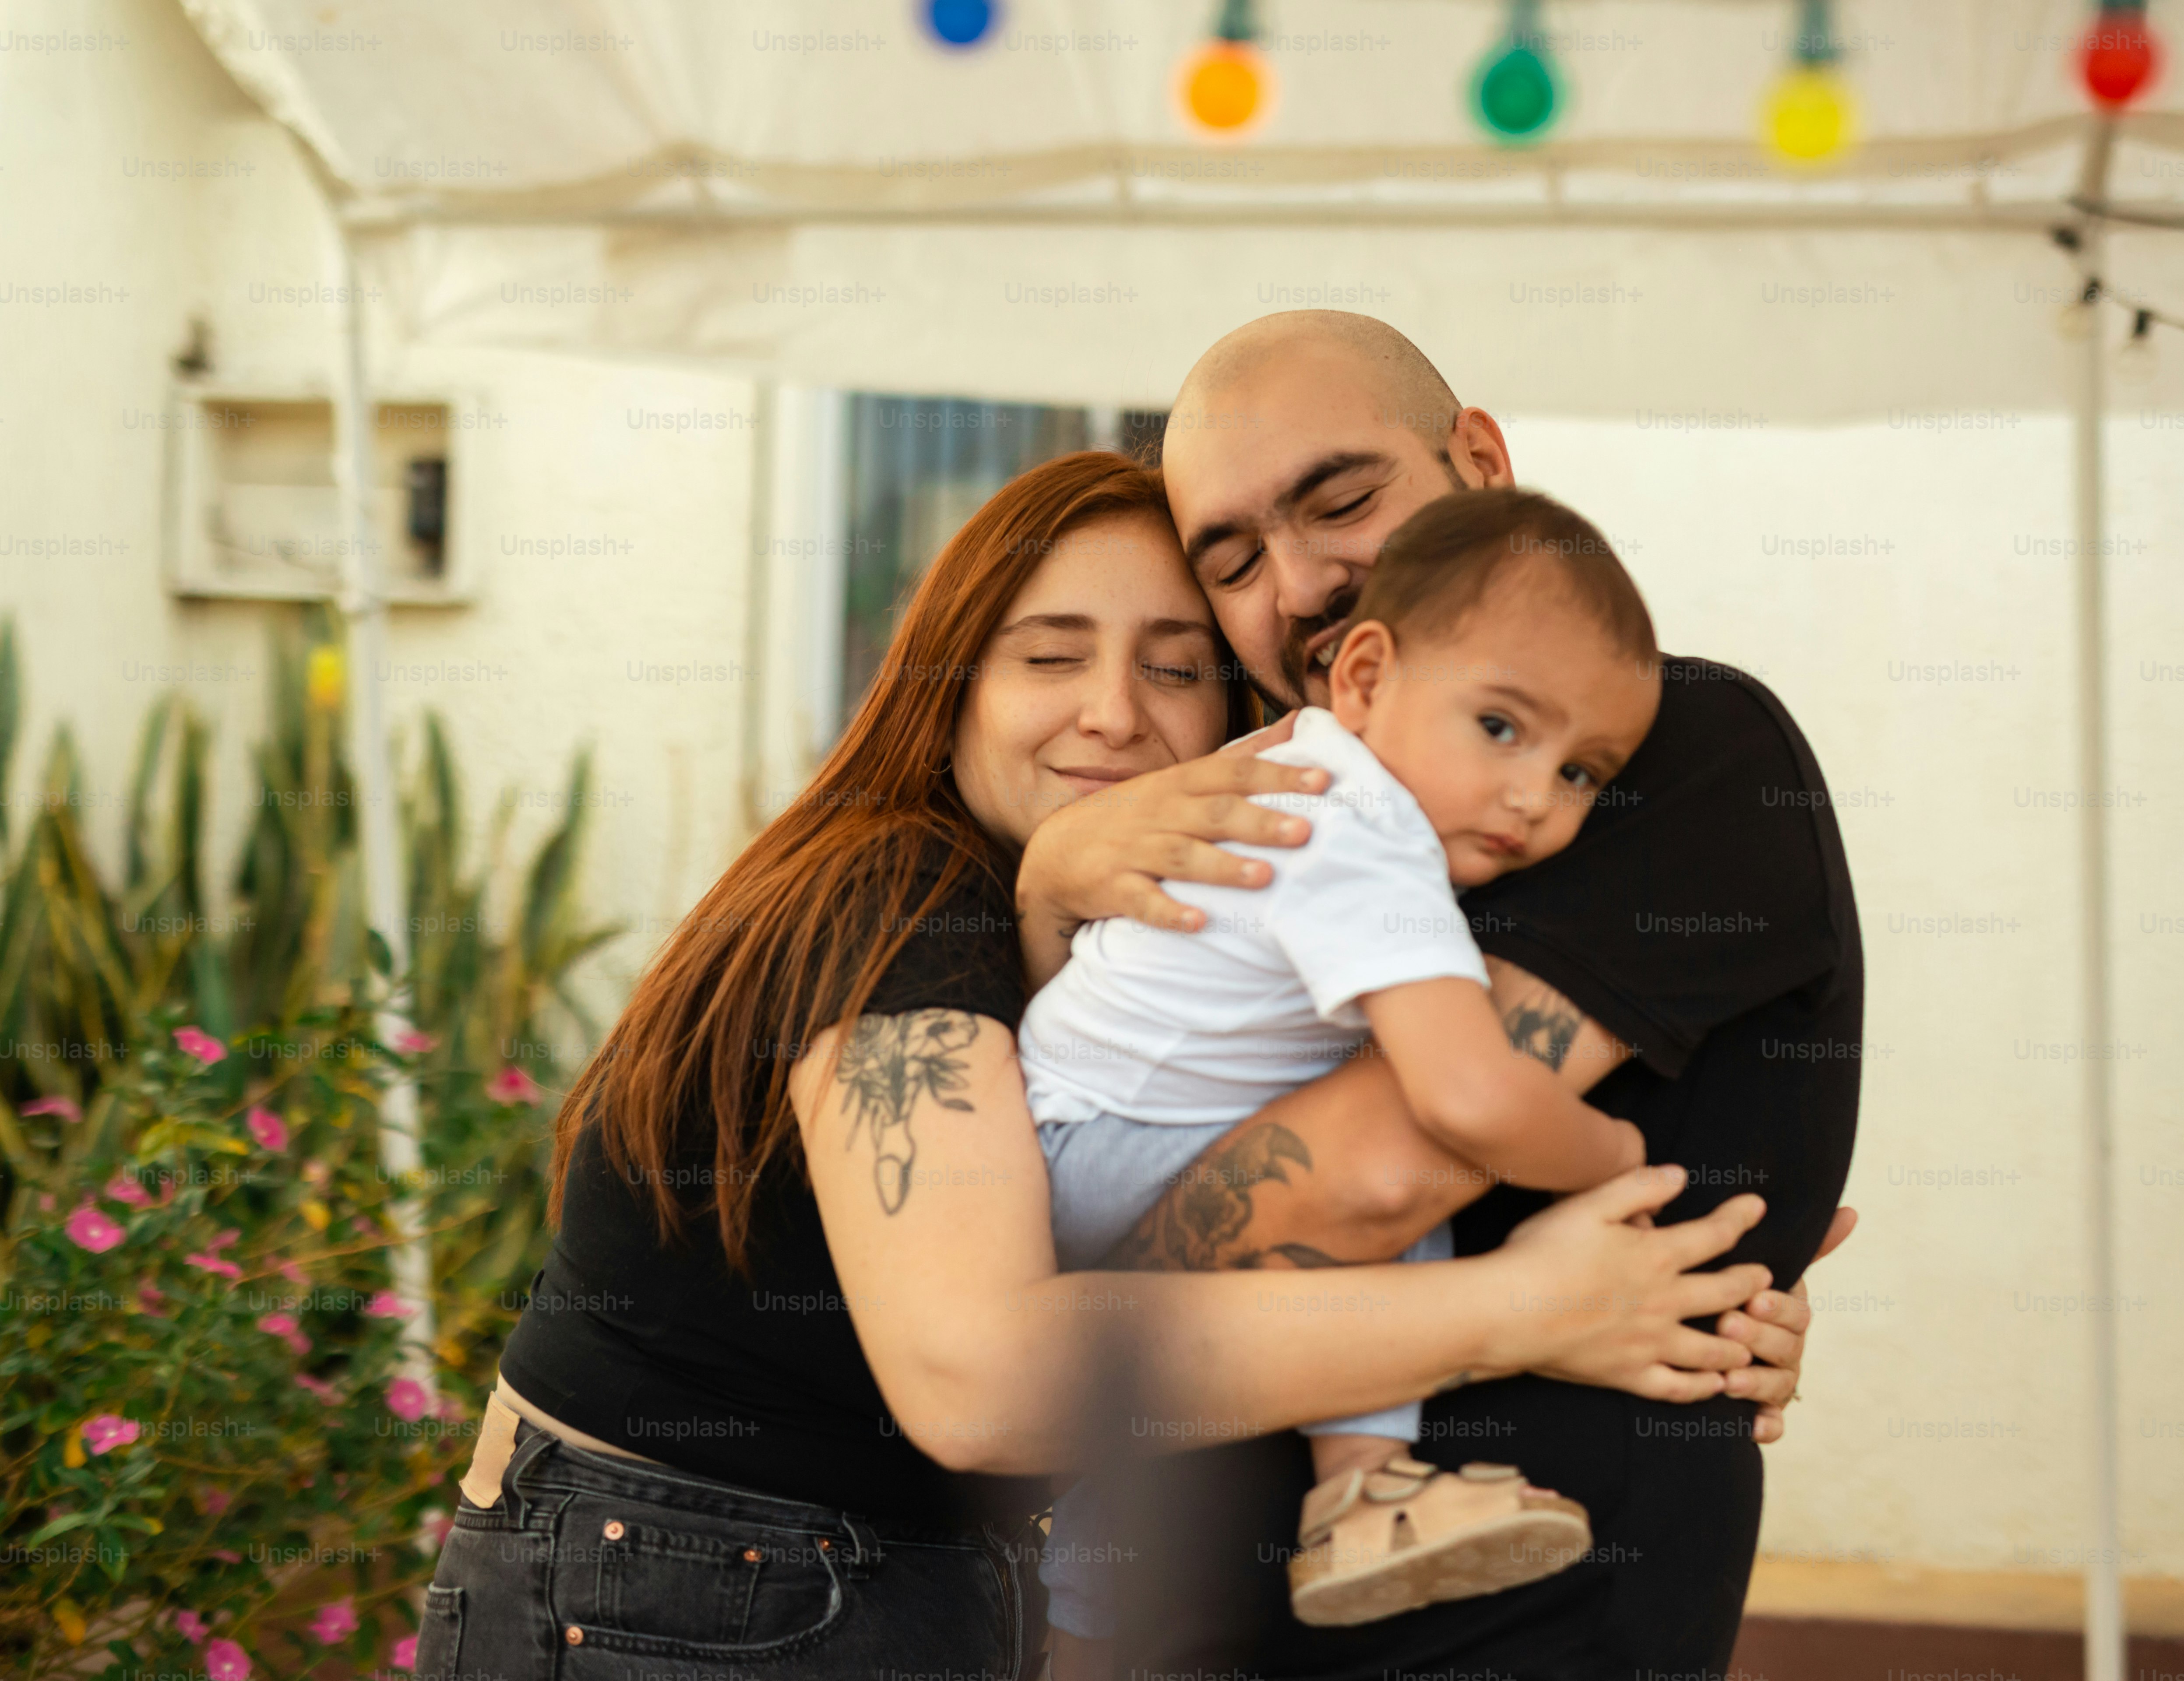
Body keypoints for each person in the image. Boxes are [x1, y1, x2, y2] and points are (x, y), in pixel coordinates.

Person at [420, 450, 1808, 1681]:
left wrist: (1708, 1286)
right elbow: (981, 1378)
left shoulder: (1104, 935)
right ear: (948, 684)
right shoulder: (893, 897)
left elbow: (1248, 1198)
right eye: (1049, 654)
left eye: (1172, 665)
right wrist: (1531, 1306)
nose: (1111, 714)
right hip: (683, 1586)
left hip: (826, 1579)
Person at [1013, 313, 1866, 1679]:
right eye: (1230, 563)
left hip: (1503, 1625)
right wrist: (1050, 885)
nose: (1298, 583)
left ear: (1479, 458)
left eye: (1344, 498)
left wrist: (1042, 1332)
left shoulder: (1684, 748)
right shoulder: (1296, 808)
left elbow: (1365, 1182)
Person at [1025, 488, 1663, 1635]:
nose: (1535, 796)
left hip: (1086, 1128)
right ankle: (1355, 1494)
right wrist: (1619, 1159)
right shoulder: (1362, 831)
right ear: (1364, 679)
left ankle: (1299, 1513)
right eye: (1505, 728)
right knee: (1402, 1152)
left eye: (1584, 773)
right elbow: (1472, 1096)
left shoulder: (1318, 779)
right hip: (1106, 1142)